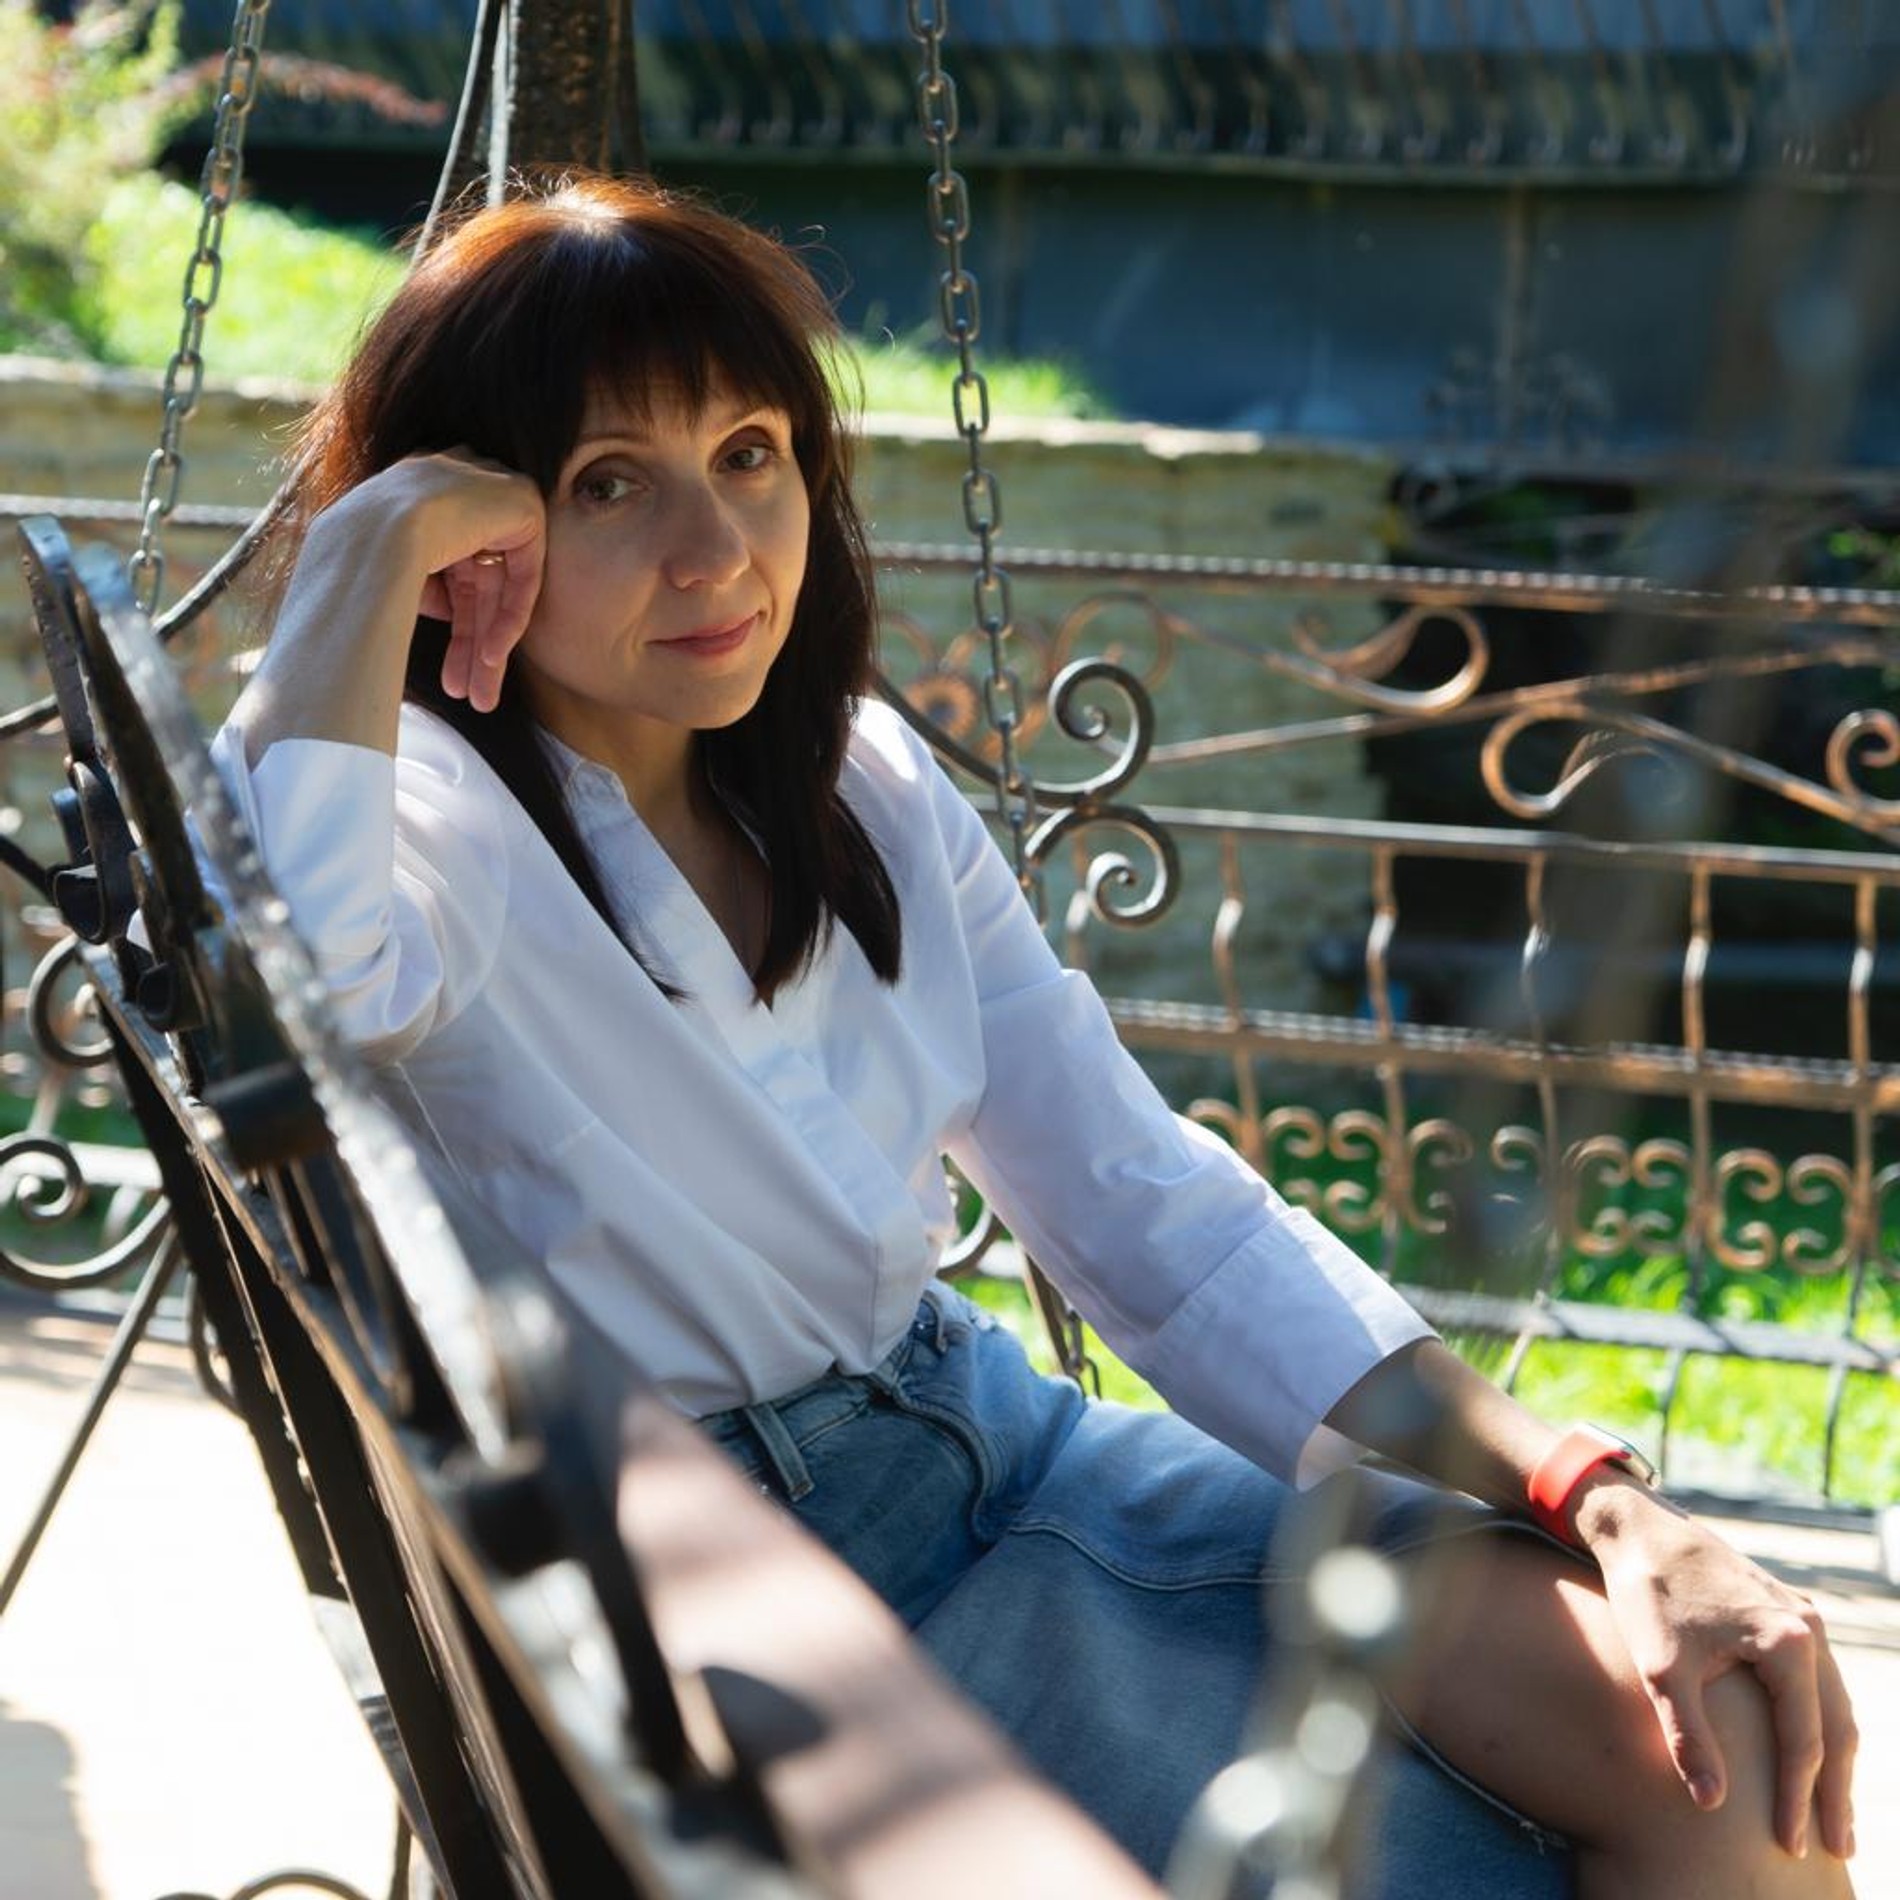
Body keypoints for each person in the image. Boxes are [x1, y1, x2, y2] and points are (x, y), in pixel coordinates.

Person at [213, 170, 1857, 1898]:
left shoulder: (855, 781)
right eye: (607, 484)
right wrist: (364, 553)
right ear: (478, 535)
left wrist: (1597, 1494)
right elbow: (295, 978)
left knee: (1726, 1751)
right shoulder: (437, 828)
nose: (714, 551)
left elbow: (1143, 1199)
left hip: (997, 1449)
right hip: (751, 1607)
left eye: (750, 453)